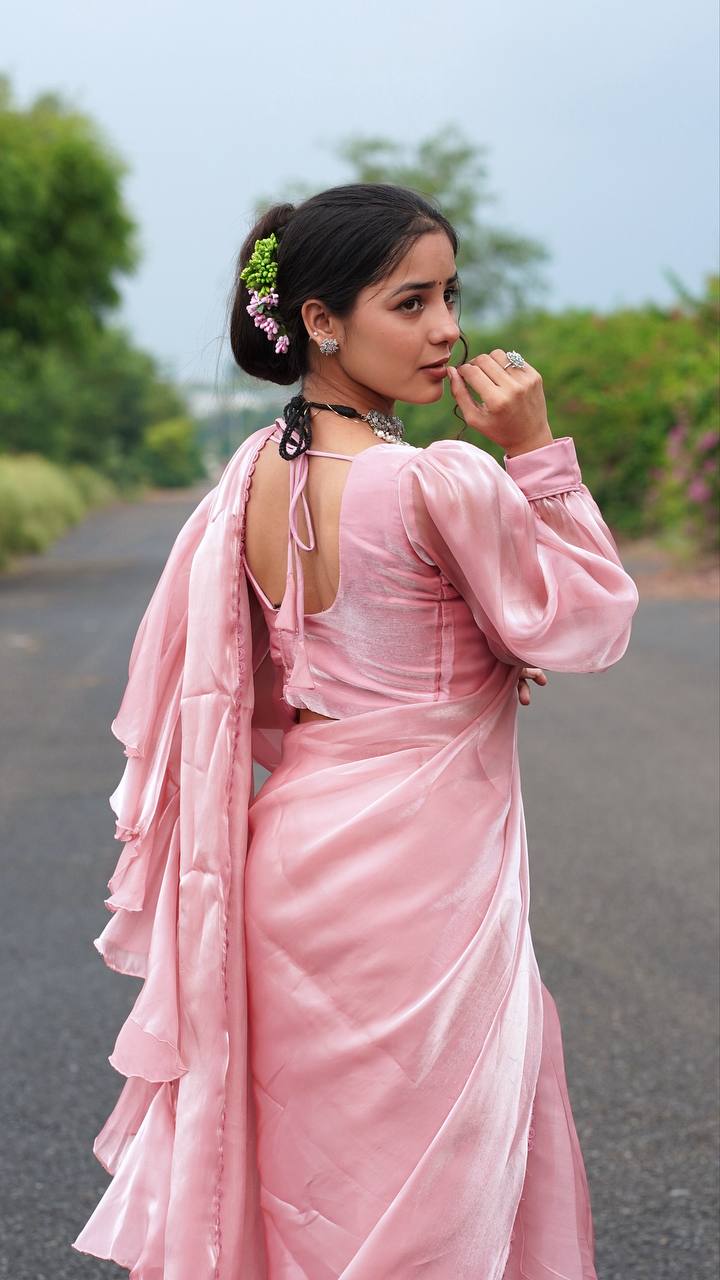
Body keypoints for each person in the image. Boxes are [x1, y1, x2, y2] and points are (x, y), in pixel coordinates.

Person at [71, 183, 639, 1279]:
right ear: (322, 322)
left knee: (315, 1185)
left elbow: (274, 695)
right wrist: (535, 447)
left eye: (451, 297)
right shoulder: (441, 478)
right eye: (412, 302)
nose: (448, 331)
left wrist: (467, 667)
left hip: (292, 861)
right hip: (422, 882)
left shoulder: (246, 484)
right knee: (438, 1181)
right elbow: (588, 621)